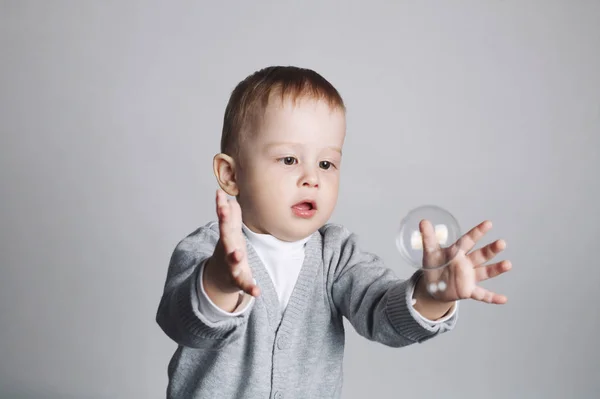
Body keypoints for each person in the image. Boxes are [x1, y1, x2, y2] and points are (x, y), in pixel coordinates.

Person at [156, 66, 512, 399]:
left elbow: (381, 313)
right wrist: (218, 281)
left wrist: (435, 293)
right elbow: (184, 326)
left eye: (326, 163)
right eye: (289, 160)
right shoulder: (204, 248)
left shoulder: (337, 254)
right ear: (231, 175)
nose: (312, 177)